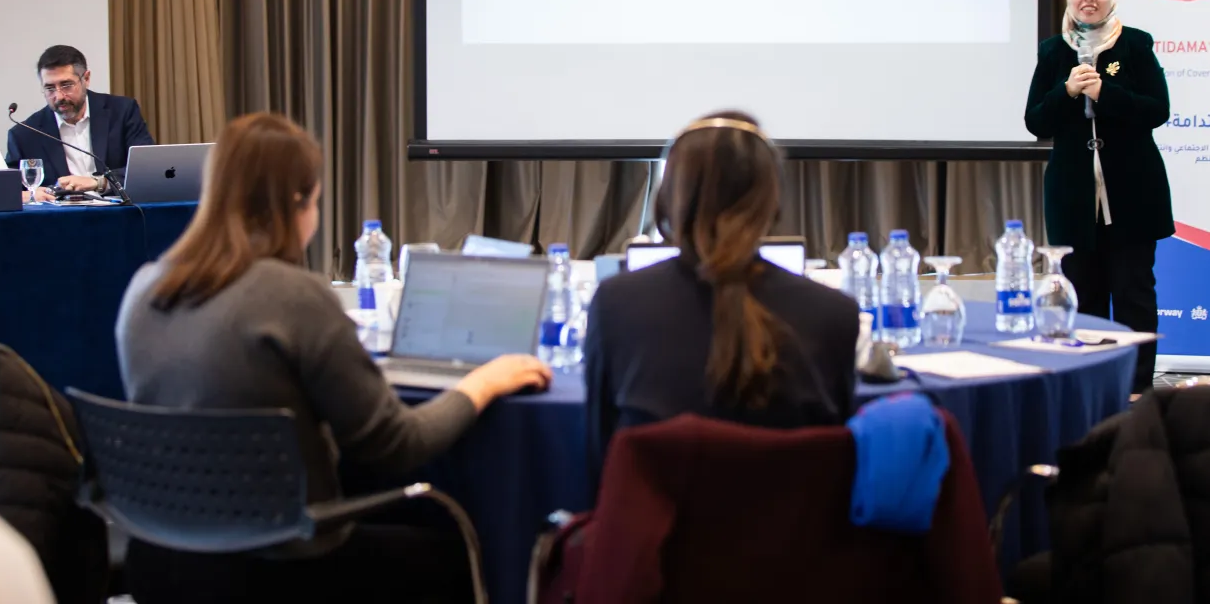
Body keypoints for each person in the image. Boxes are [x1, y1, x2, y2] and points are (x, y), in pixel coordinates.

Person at [115, 112, 550, 604]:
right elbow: (398, 445)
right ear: (296, 203)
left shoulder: (143, 287)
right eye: (316, 202)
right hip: (287, 565)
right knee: (456, 543)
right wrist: (485, 382)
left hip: (163, 557)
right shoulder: (294, 296)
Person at [583, 111, 860, 497]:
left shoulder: (617, 305)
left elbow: (602, 468)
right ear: (771, 201)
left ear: (666, 200)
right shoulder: (834, 314)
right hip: (795, 554)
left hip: (654, 553)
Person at [1024, 0, 1173, 392]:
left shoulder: (1136, 45)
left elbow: (1157, 110)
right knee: (1083, 298)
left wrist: (1105, 93)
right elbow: (1036, 121)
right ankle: (1086, 388)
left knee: (1134, 296)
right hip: (1074, 198)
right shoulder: (1053, 51)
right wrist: (1067, 91)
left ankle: (1135, 388)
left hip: (1133, 194)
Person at [4, 45, 155, 201]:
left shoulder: (122, 112)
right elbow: (6, 190)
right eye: (50, 88)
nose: (59, 96)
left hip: (119, 215)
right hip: (61, 221)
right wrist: (28, 195)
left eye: (66, 85)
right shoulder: (26, 133)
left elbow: (147, 169)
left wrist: (99, 182)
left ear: (86, 79)